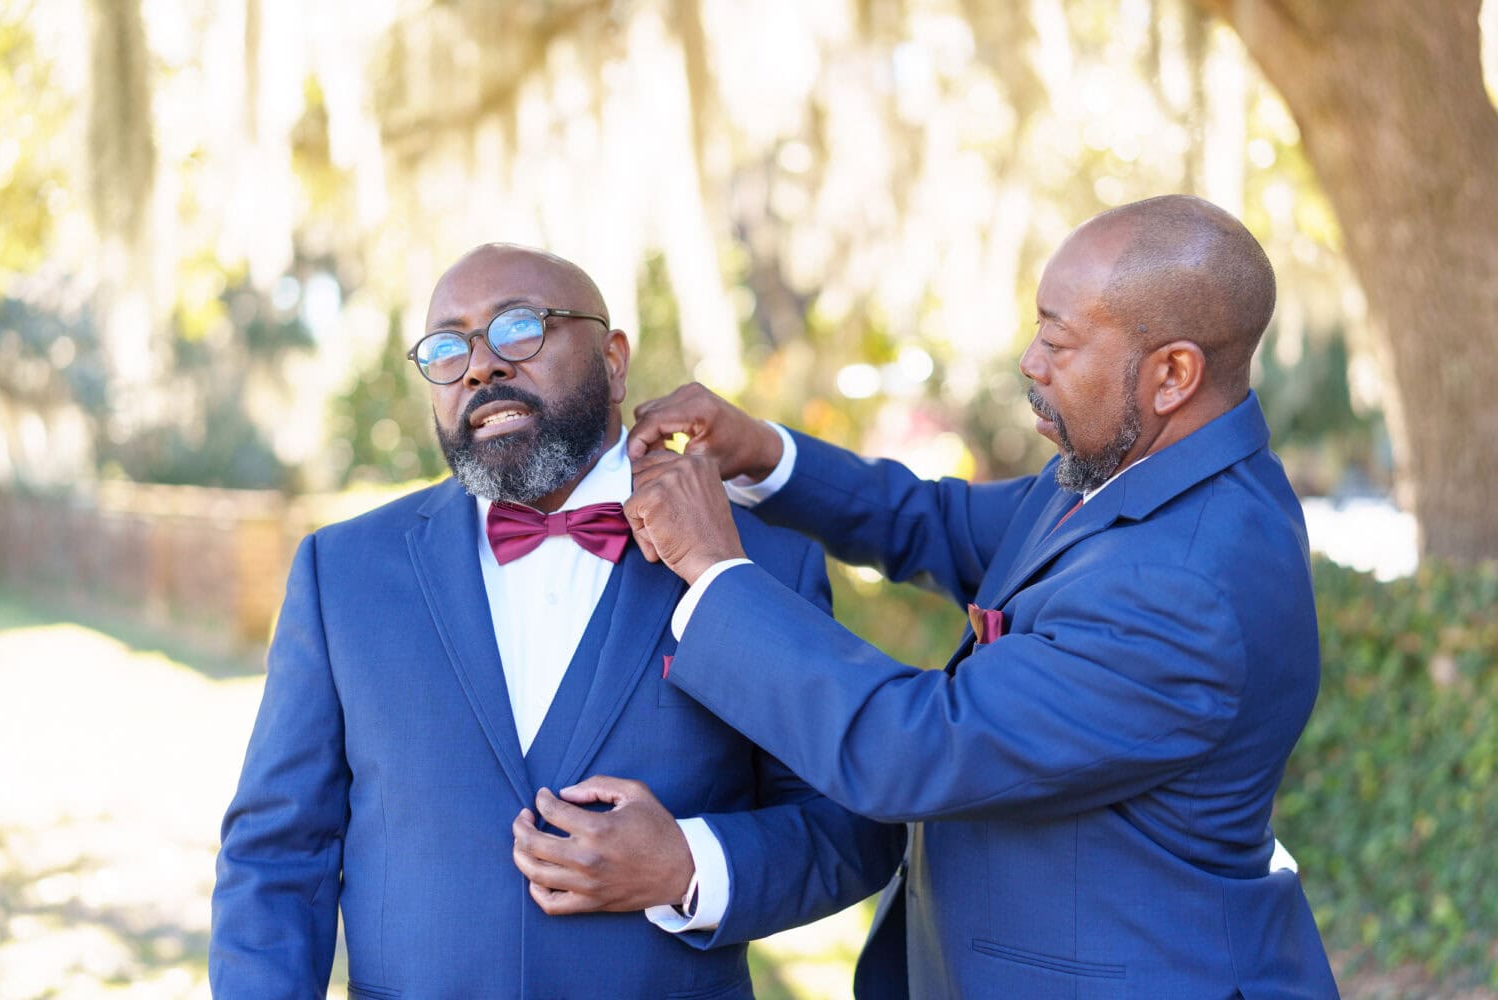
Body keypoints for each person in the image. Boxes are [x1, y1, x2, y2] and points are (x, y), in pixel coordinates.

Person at [611, 195, 1339, 997]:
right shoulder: (1139, 472)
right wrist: (764, 456)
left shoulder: (1183, 590)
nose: (1031, 361)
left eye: (1059, 340)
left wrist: (714, 571)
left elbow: (913, 748)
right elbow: (940, 522)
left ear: (1173, 374)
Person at [209, 243, 902, 999]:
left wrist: (687, 864)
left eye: (518, 329)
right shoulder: (342, 572)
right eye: (448, 348)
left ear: (612, 361)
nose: (480, 367)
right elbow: (276, 856)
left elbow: (852, 828)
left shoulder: (757, 561)